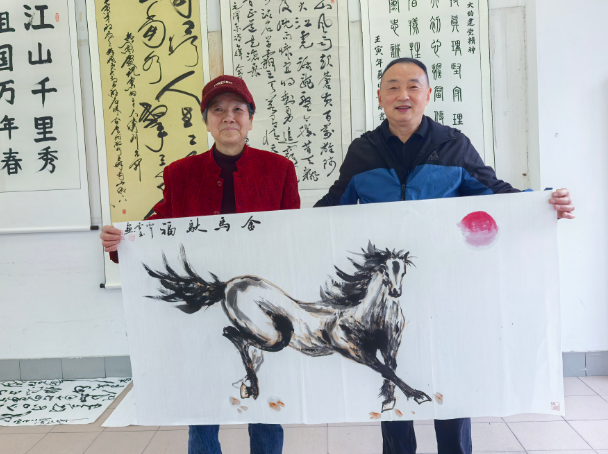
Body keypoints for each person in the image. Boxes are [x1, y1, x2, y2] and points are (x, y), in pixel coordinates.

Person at [315, 57, 575, 454]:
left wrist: (542, 202)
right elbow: (333, 207)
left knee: (449, 381)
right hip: (391, 295)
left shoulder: (453, 145)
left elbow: (495, 194)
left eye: (413, 86)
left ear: (428, 95)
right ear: (380, 96)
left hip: (445, 287)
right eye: (393, 86)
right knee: (392, 378)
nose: (403, 95)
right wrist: (280, 228)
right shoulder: (363, 151)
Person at [100, 75, 299, 454]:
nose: (229, 117)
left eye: (238, 109)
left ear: (250, 118)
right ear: (206, 121)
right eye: (218, 110)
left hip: (260, 302)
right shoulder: (181, 174)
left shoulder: (279, 169)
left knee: (266, 396)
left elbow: (293, 234)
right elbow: (159, 228)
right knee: (203, 400)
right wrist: (120, 242)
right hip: (203, 304)